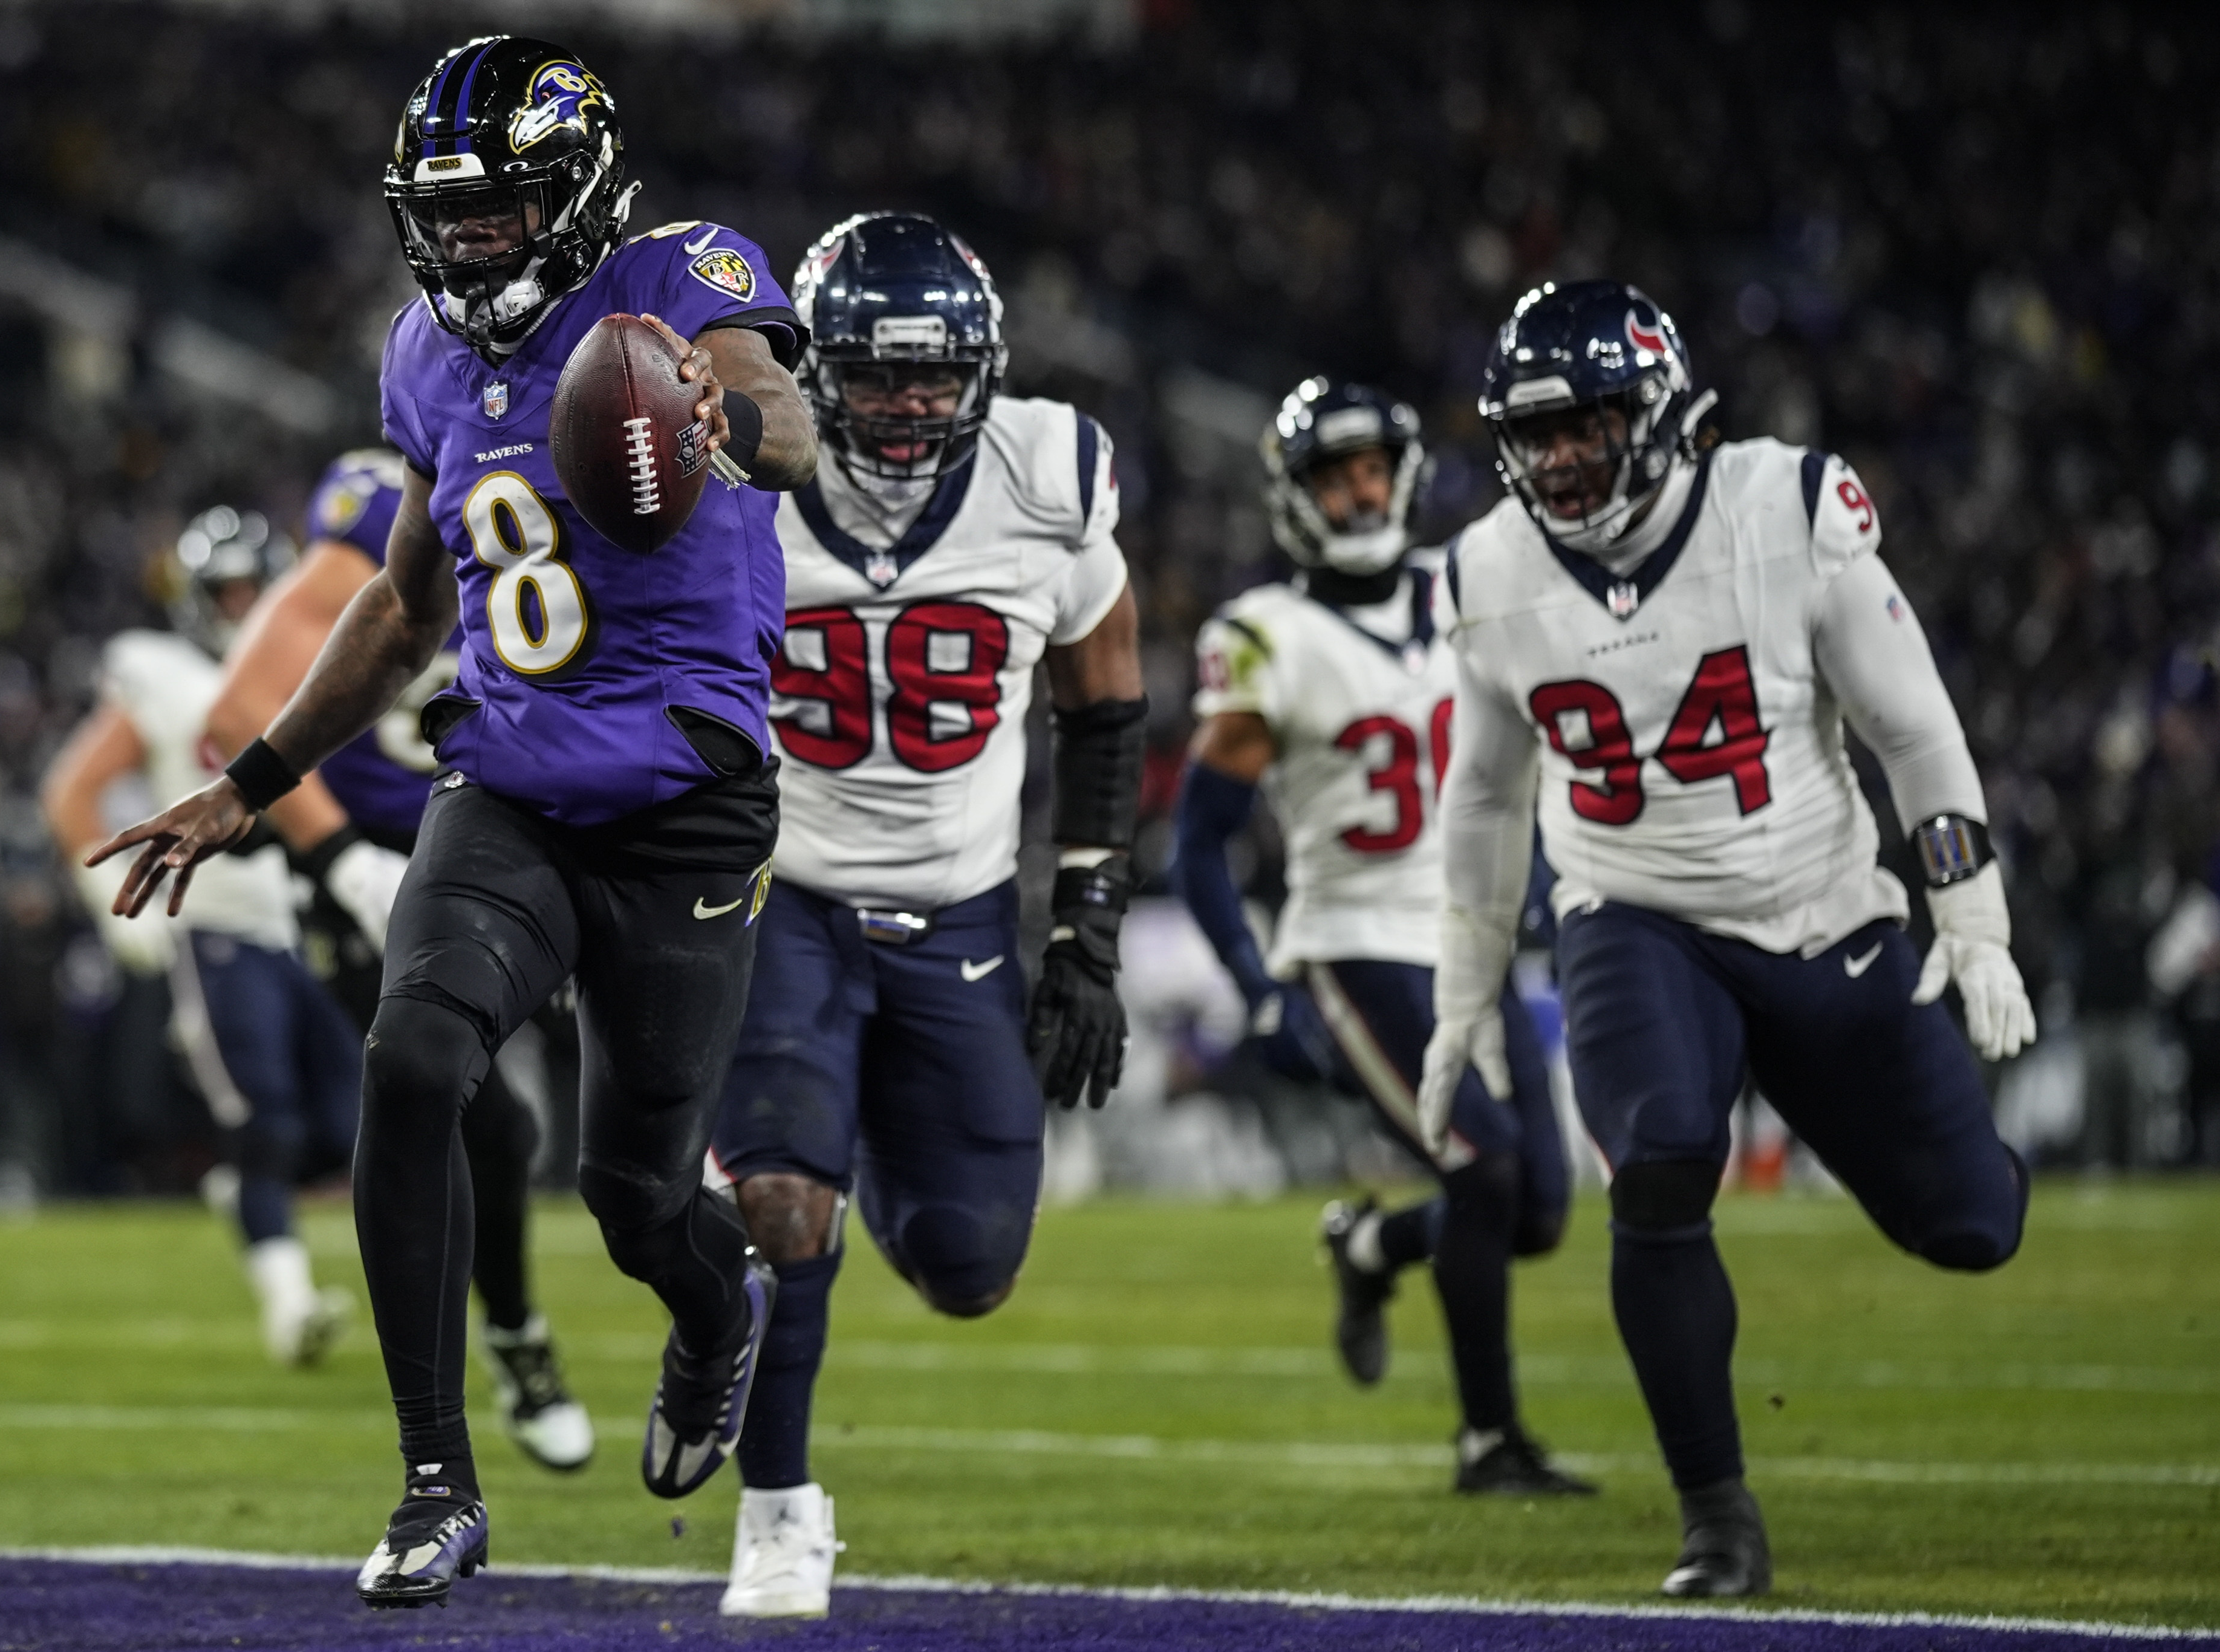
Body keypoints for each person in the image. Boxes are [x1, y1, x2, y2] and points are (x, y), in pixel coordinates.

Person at [86, 35, 817, 1609]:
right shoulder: (423, 354)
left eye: (502, 207)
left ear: (580, 191)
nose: (473, 238)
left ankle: (718, 1317)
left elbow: (789, 419)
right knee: (414, 1058)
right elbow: (407, 606)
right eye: (450, 213)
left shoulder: (678, 274)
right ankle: (435, 1481)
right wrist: (253, 779)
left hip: (686, 802)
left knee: (637, 1200)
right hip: (509, 781)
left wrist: (720, 416)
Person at [1424, 280, 2036, 1597]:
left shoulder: (1782, 507)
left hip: (1822, 907)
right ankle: (1716, 1517)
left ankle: (1968, 1170)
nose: (1559, 458)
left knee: (1972, 1224)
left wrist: (1972, 919)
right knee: (1657, 1162)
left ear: (1657, 412)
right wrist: (1464, 987)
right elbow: (1481, 797)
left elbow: (1914, 732)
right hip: (1632, 911)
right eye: (1535, 434)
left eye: (1585, 424)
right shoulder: (1489, 571)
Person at [709, 212, 1145, 1620]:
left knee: (970, 1265)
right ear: (813, 371)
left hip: (958, 914)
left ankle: (799, 1204)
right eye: (876, 374)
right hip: (784, 892)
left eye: (934, 375)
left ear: (984, 373)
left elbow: (1106, 703)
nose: (906, 404)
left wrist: (1085, 928)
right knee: (785, 1200)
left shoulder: (1049, 474)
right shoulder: (739, 470)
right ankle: (779, 1514)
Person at [1172, 378, 1589, 1498]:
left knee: (1537, 1210)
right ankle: (1489, 1442)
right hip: (1355, 940)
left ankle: (1369, 1250)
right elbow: (1199, 844)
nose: (1358, 495)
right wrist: (1258, 985)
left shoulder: (1467, 590)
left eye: (1370, 471)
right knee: (1485, 1170)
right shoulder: (1266, 635)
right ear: (1294, 497)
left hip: (1473, 937)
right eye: (1333, 477)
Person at [202, 447, 594, 1473]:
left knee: (629, 1078)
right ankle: (510, 1345)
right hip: (382, 874)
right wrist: (342, 861)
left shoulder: (595, 471)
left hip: (517, 841)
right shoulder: (388, 499)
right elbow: (236, 714)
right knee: (484, 1123)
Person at [41, 509, 356, 1369]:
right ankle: (290, 1305)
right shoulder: (164, 673)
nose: (243, 606)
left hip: (306, 918)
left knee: (350, 1125)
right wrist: (109, 898)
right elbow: (73, 792)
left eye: (255, 588)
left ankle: (245, 1189)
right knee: (265, 1118)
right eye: (226, 592)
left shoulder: (314, 658)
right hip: (213, 921)